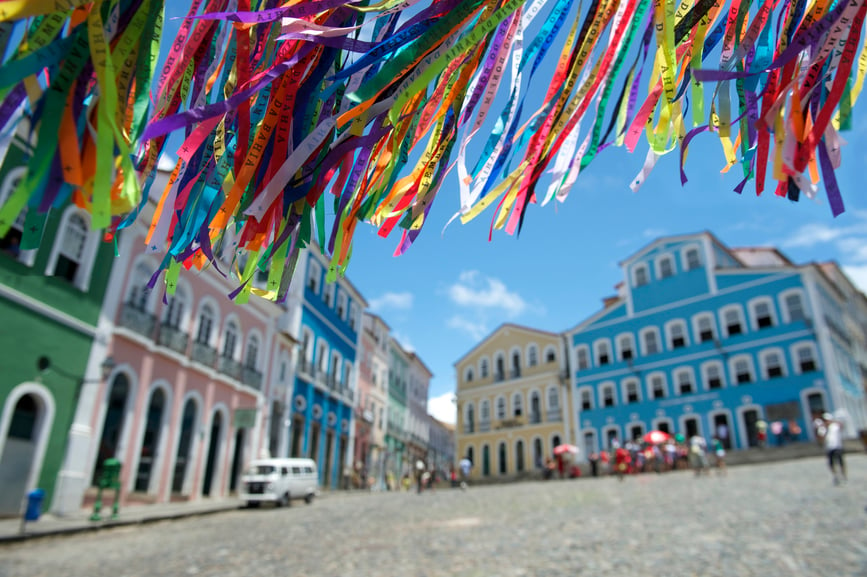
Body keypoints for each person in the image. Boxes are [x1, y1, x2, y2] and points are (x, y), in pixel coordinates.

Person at [818, 413, 847, 485]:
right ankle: (835, 475)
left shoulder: (835, 426)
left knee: (840, 462)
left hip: (837, 446)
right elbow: (820, 438)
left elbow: (841, 427)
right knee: (831, 463)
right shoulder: (822, 429)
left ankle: (843, 475)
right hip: (829, 448)